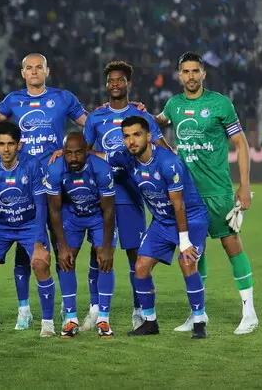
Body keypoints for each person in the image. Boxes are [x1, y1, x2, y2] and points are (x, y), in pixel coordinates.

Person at [154, 51, 258, 334]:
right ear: (179, 75)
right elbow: (155, 122)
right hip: (188, 194)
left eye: (195, 71)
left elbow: (241, 144)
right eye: (185, 72)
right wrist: (139, 113)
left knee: (231, 244)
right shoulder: (174, 105)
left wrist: (245, 185)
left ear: (203, 74)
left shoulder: (220, 104)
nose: (190, 76)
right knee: (192, 252)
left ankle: (249, 312)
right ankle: (198, 313)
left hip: (217, 191)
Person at [0, 53, 87, 330]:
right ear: (22, 73)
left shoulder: (63, 98)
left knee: (61, 246)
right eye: (29, 68)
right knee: (24, 250)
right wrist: (6, 151)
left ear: (47, 71)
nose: (34, 72)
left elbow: (91, 124)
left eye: (39, 67)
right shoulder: (13, 100)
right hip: (23, 184)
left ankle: (68, 308)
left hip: (56, 183)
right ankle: (24, 310)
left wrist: (73, 150)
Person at [81, 60, 171, 331]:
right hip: (101, 196)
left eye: (120, 80)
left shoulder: (141, 116)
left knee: (135, 254)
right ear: (106, 84)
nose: (115, 84)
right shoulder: (96, 117)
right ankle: (95, 309)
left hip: (132, 195)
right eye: (111, 80)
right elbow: (83, 153)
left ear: (128, 83)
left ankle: (139, 310)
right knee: (98, 253)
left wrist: (175, 170)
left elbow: (161, 149)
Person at [107, 116, 209, 339]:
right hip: (162, 221)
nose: (132, 141)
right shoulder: (127, 158)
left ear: (148, 136)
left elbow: (179, 205)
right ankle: (150, 322)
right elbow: (99, 157)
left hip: (191, 219)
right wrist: (68, 153)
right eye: (126, 136)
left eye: (137, 135)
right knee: (141, 266)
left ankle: (199, 320)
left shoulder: (168, 163)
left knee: (187, 262)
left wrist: (184, 242)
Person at [0, 121, 56, 338]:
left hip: (29, 223)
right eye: (1, 144)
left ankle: (48, 323)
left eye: (10, 144)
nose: (6, 149)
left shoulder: (32, 165)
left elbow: (41, 205)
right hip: (0, 225)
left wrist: (38, 242)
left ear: (19, 145)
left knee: (40, 263)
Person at [46, 132, 117, 338]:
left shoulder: (102, 169)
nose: (73, 158)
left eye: (78, 153)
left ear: (87, 151)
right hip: (72, 215)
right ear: (63, 152)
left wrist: (106, 248)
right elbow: (54, 211)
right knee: (66, 260)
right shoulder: (55, 170)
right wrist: (62, 247)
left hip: (98, 215)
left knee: (104, 261)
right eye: (68, 153)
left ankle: (103, 319)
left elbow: (109, 211)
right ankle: (71, 319)